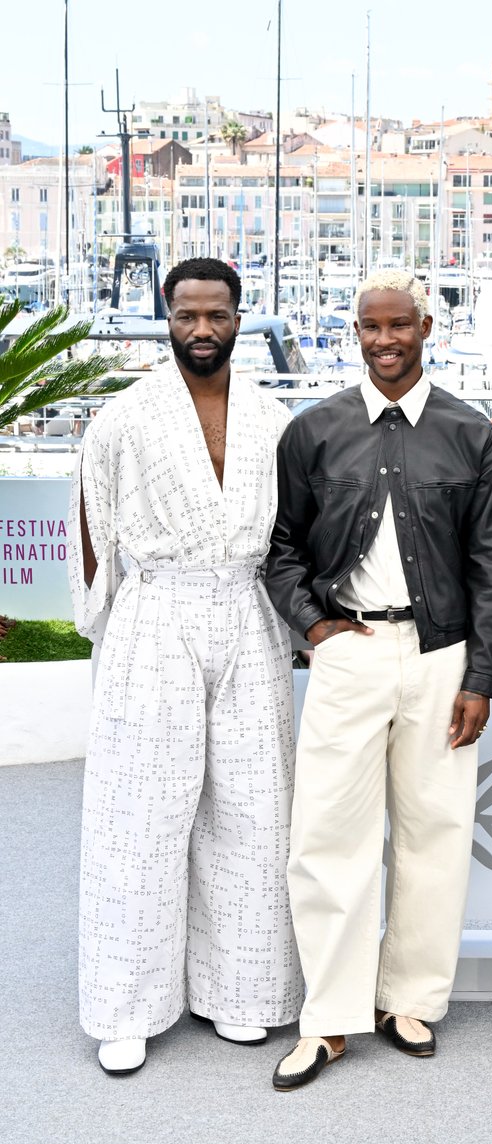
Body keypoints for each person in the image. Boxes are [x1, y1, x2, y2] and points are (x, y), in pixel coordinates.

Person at [265, 268, 492, 1090]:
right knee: (326, 838)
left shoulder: (469, 433)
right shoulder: (315, 432)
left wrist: (480, 675)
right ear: (355, 332)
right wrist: (315, 627)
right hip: (350, 653)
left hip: (441, 656)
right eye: (369, 327)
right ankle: (329, 1019)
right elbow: (282, 550)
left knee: (434, 834)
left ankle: (408, 1000)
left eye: (398, 325)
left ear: (425, 328)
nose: (383, 341)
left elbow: (490, 566)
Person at [68, 257, 302, 1074]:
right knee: (139, 816)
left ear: (240, 318)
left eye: (217, 315)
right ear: (165, 316)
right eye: (187, 315)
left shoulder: (276, 420)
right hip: (157, 610)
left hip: (248, 610)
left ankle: (241, 990)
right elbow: (92, 525)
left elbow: (294, 533)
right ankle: (125, 1006)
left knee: (254, 806)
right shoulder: (123, 418)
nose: (202, 329)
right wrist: (114, 623)